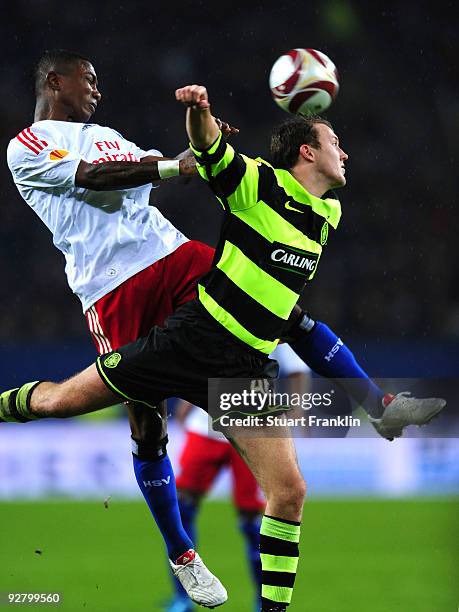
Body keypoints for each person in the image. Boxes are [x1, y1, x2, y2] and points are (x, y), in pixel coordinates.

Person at [2, 82, 446, 611]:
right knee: (89, 411)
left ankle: (379, 410)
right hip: (153, 316)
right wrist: (199, 117)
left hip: (224, 334)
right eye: (334, 142)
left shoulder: (328, 215)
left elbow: (180, 164)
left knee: (290, 487)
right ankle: (180, 553)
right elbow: (199, 154)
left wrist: (184, 152)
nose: (345, 152)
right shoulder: (254, 182)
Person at [166, 344, 310, 612]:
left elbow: (298, 370)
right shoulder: (212, 314)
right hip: (205, 426)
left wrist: (296, 409)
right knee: (181, 508)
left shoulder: (272, 320)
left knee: (253, 521)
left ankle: (262, 600)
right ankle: (182, 597)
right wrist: (186, 404)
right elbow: (200, 367)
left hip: (253, 430)